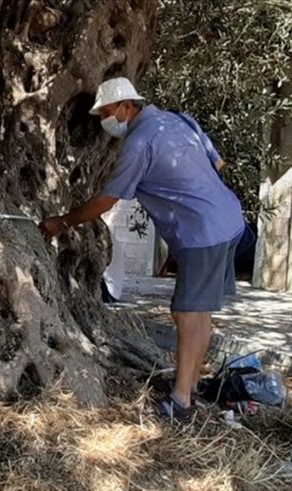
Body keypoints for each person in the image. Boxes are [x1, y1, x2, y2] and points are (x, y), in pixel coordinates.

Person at [41, 77, 244, 423]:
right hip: (228, 219)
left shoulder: (139, 142)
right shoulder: (178, 120)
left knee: (188, 314)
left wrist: (62, 222)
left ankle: (180, 401)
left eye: (107, 112)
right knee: (198, 313)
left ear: (127, 106)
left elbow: (106, 201)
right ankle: (191, 385)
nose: (105, 121)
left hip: (202, 233)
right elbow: (217, 164)